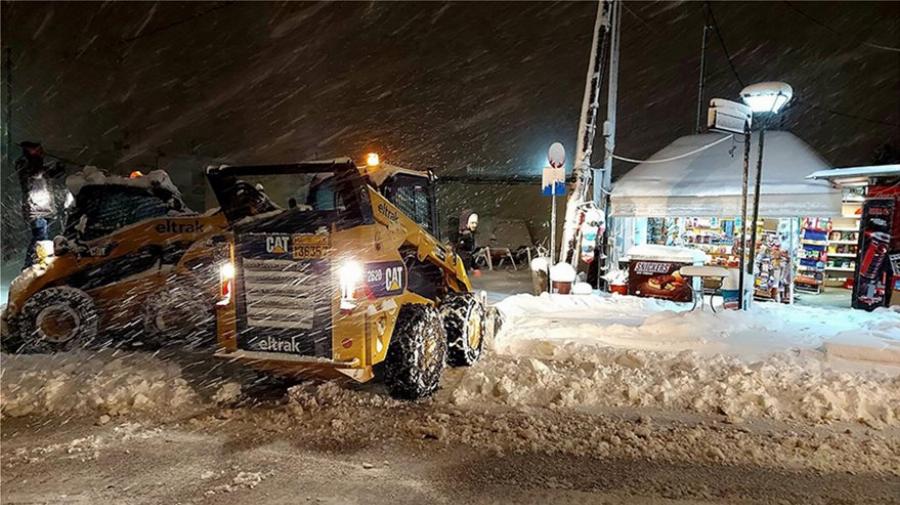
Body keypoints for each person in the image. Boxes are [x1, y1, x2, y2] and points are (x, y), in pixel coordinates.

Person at [15, 142, 65, 269]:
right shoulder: (24, 163)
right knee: (40, 237)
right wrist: (37, 158)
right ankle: (30, 264)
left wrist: (59, 168)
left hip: (45, 207)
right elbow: (35, 173)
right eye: (37, 149)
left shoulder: (38, 164)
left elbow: (50, 174)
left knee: (43, 238)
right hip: (34, 208)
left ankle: (37, 262)